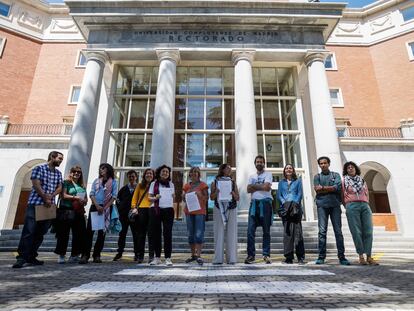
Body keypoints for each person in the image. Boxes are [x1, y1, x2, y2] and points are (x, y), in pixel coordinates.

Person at [13, 151, 64, 268]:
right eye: (59, 158)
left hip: (49, 205)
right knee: (29, 232)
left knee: (40, 233)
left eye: (61, 159)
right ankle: (21, 258)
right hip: (35, 204)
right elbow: (36, 184)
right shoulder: (39, 168)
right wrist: (45, 196)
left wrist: (50, 197)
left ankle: (31, 256)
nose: (61, 161)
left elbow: (59, 187)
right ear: (52, 157)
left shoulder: (58, 173)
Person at [314, 156, 350, 265]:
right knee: (322, 232)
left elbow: (338, 187)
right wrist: (331, 188)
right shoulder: (317, 176)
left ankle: (342, 257)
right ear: (319, 165)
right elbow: (317, 189)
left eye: (325, 163)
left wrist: (323, 188)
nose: (323, 165)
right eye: (321, 163)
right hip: (322, 206)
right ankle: (321, 257)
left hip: (335, 206)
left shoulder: (336, 175)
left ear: (329, 164)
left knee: (338, 232)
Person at [342, 161, 379, 266]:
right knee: (356, 232)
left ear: (355, 169)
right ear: (346, 170)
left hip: (364, 205)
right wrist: (348, 206)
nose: (350, 169)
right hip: (352, 206)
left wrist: (366, 203)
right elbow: (342, 196)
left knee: (368, 231)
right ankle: (361, 256)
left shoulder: (362, 180)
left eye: (352, 167)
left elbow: (366, 193)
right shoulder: (344, 181)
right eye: (348, 167)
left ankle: (369, 256)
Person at [80, 163, 117, 264]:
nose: (101, 170)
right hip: (95, 207)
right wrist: (97, 205)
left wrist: (104, 207)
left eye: (103, 169)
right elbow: (92, 194)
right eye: (100, 169)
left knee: (102, 233)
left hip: (106, 208)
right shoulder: (96, 181)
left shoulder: (113, 182)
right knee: (89, 232)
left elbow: (114, 196)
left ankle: (97, 255)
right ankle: (85, 255)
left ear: (108, 170)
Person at [54, 165, 88, 264]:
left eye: (79, 172)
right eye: (74, 171)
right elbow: (63, 195)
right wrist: (76, 197)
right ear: (71, 173)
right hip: (67, 211)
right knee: (63, 234)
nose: (77, 173)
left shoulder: (82, 186)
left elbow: (85, 198)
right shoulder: (66, 183)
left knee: (78, 235)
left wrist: (84, 201)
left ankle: (74, 255)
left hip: (79, 212)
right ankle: (61, 255)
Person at [245, 155, 273, 264]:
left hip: (265, 205)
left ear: (264, 163)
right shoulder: (251, 175)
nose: (259, 163)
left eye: (261, 162)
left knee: (266, 231)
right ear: (255, 164)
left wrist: (254, 186)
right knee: (250, 231)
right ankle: (251, 255)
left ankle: (266, 255)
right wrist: (261, 185)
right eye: (257, 162)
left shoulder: (268, 174)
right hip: (254, 205)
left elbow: (267, 187)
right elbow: (248, 189)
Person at [210, 163, 239, 265]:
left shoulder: (233, 182)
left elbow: (238, 198)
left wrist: (233, 194)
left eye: (230, 168)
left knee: (232, 232)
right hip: (219, 207)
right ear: (222, 170)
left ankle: (232, 258)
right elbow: (211, 197)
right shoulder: (215, 182)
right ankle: (218, 258)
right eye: (228, 168)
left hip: (231, 207)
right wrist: (216, 192)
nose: (230, 170)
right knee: (219, 232)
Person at [277, 164, 305, 264]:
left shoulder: (298, 182)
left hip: (295, 208)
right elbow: (279, 195)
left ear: (293, 171)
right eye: (286, 168)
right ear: (284, 171)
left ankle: (300, 257)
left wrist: (295, 203)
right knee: (287, 232)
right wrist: (284, 202)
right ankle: (288, 257)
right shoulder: (281, 183)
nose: (288, 170)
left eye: (290, 168)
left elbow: (300, 194)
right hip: (285, 208)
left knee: (298, 232)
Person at [148, 165, 175, 266]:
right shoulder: (154, 184)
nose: (165, 173)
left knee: (167, 234)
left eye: (167, 172)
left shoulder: (171, 184)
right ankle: (157, 257)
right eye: (163, 171)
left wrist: (173, 196)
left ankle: (168, 258)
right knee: (156, 234)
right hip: (155, 210)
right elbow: (149, 198)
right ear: (159, 173)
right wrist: (155, 197)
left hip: (168, 210)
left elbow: (173, 198)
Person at [182, 167, 209, 265]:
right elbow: (184, 199)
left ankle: (199, 256)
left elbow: (206, 198)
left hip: (199, 212)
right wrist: (184, 196)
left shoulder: (203, 185)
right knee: (190, 234)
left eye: (196, 172)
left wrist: (200, 195)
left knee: (198, 234)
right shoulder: (186, 186)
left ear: (199, 174)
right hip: (189, 212)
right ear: (189, 174)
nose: (193, 174)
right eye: (192, 172)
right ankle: (193, 255)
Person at [131, 168, 155, 263]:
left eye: (151, 173)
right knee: (141, 234)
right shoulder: (140, 186)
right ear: (144, 175)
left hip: (152, 210)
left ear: (153, 176)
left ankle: (151, 256)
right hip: (141, 210)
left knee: (151, 234)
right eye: (147, 173)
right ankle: (140, 256)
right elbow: (134, 198)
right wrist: (134, 208)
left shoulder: (155, 185)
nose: (149, 175)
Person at [113, 170, 139, 261]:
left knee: (136, 235)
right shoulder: (123, 189)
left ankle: (137, 253)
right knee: (122, 235)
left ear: (136, 177)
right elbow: (118, 200)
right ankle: (119, 253)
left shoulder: (139, 188)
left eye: (133, 176)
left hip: (135, 216)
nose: (131, 178)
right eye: (130, 177)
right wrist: (120, 209)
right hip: (123, 216)